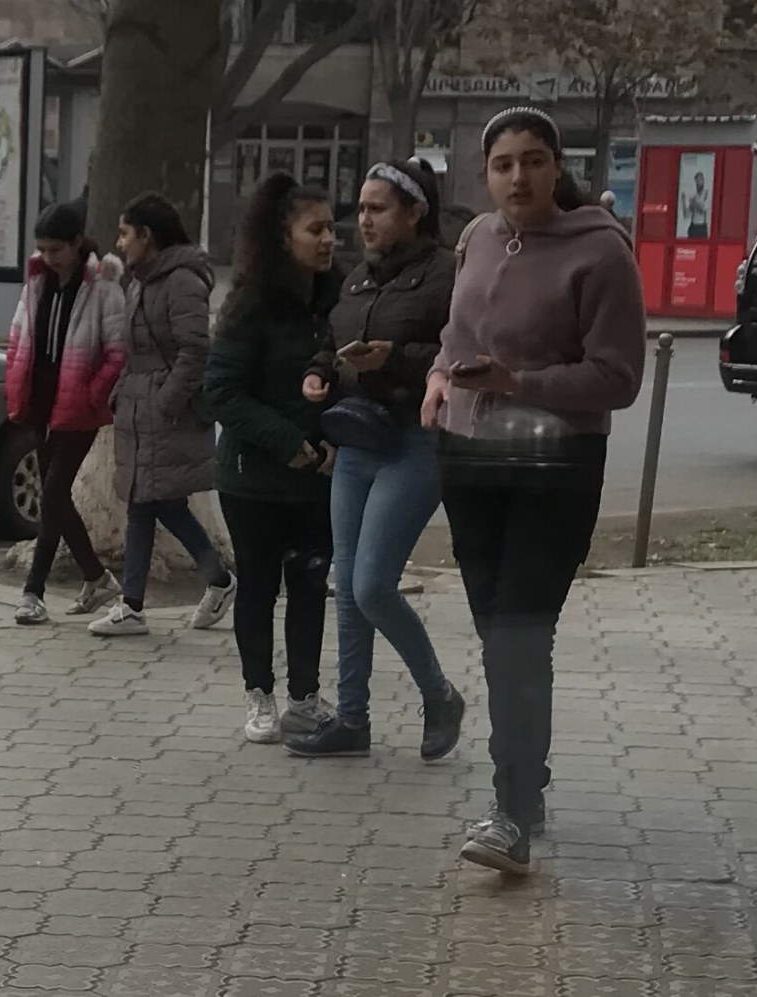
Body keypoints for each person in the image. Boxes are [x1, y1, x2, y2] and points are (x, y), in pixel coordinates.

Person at [421, 106, 646, 874]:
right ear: (486, 174)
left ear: (557, 167)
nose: (518, 177)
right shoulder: (479, 239)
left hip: (556, 464)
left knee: (521, 632)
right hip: (469, 457)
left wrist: (517, 382)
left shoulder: (601, 253)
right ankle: (527, 782)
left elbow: (618, 377)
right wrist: (437, 377)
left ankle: (511, 811)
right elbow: (456, 338)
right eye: (503, 164)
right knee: (498, 633)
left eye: (533, 161)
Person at [285, 158, 465, 761]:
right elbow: (332, 342)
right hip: (358, 440)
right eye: (360, 208)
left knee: (371, 586)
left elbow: (456, 354)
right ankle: (352, 720)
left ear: (415, 212)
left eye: (377, 208)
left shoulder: (447, 274)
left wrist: (394, 359)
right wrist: (319, 372)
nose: (363, 219)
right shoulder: (358, 277)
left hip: (414, 442)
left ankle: (440, 695)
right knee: (346, 585)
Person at [204, 174, 340, 743]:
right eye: (315, 229)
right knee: (259, 587)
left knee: (309, 584)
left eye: (331, 227)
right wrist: (286, 442)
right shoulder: (251, 305)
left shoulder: (335, 300)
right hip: (252, 479)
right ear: (282, 236)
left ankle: (303, 697)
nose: (328, 239)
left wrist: (333, 438)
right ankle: (259, 693)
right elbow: (222, 391)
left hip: (318, 477)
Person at [88, 192, 236, 637]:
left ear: (147, 235)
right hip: (140, 406)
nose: (119, 244)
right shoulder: (141, 280)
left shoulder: (182, 281)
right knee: (151, 501)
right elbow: (136, 351)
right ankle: (212, 580)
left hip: (164, 412)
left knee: (149, 502)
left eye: (125, 234)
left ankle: (137, 603)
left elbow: (195, 351)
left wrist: (165, 401)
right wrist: (122, 393)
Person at [5, 202, 126, 625]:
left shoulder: (104, 287)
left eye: (56, 249)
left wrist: (93, 394)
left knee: (54, 493)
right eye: (42, 248)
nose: (48, 257)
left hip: (79, 406)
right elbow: (18, 337)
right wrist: (14, 380)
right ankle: (96, 577)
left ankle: (33, 592)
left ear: (77, 243)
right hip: (40, 401)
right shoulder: (37, 282)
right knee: (53, 495)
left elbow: (117, 353)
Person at [681, 171, 709, 238]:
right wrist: (683, 201)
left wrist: (694, 203)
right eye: (697, 180)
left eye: (700, 179)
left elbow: (703, 210)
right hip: (693, 227)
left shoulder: (707, 194)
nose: (699, 182)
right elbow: (686, 215)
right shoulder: (694, 196)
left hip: (702, 228)